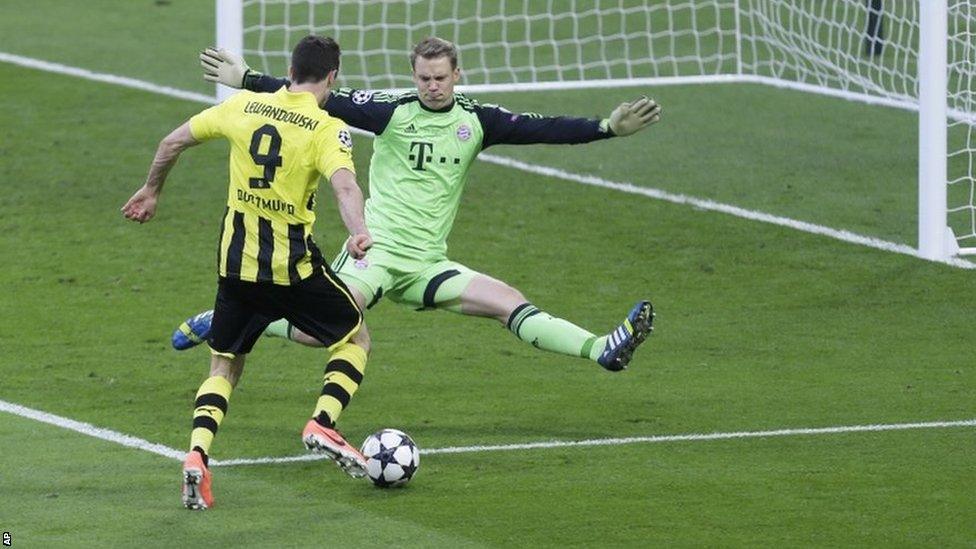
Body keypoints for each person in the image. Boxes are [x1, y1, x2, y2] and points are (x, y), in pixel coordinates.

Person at [182, 36, 659, 372]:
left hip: (428, 262)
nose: (433, 86)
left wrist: (605, 128)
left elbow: (544, 129)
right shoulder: (389, 109)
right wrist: (247, 78)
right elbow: (311, 96)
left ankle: (601, 349)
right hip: (377, 253)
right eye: (425, 78)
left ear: (457, 75)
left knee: (508, 302)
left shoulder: (478, 120)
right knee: (318, 332)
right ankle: (243, 318)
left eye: (441, 77)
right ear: (414, 76)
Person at [123, 35, 375, 510]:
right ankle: (323, 421)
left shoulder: (245, 106)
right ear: (332, 77)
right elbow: (345, 186)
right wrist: (358, 231)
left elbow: (172, 141)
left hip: (234, 266)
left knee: (224, 365)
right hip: (292, 268)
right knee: (354, 337)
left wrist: (151, 190)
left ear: (290, 69)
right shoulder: (326, 128)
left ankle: (197, 455)